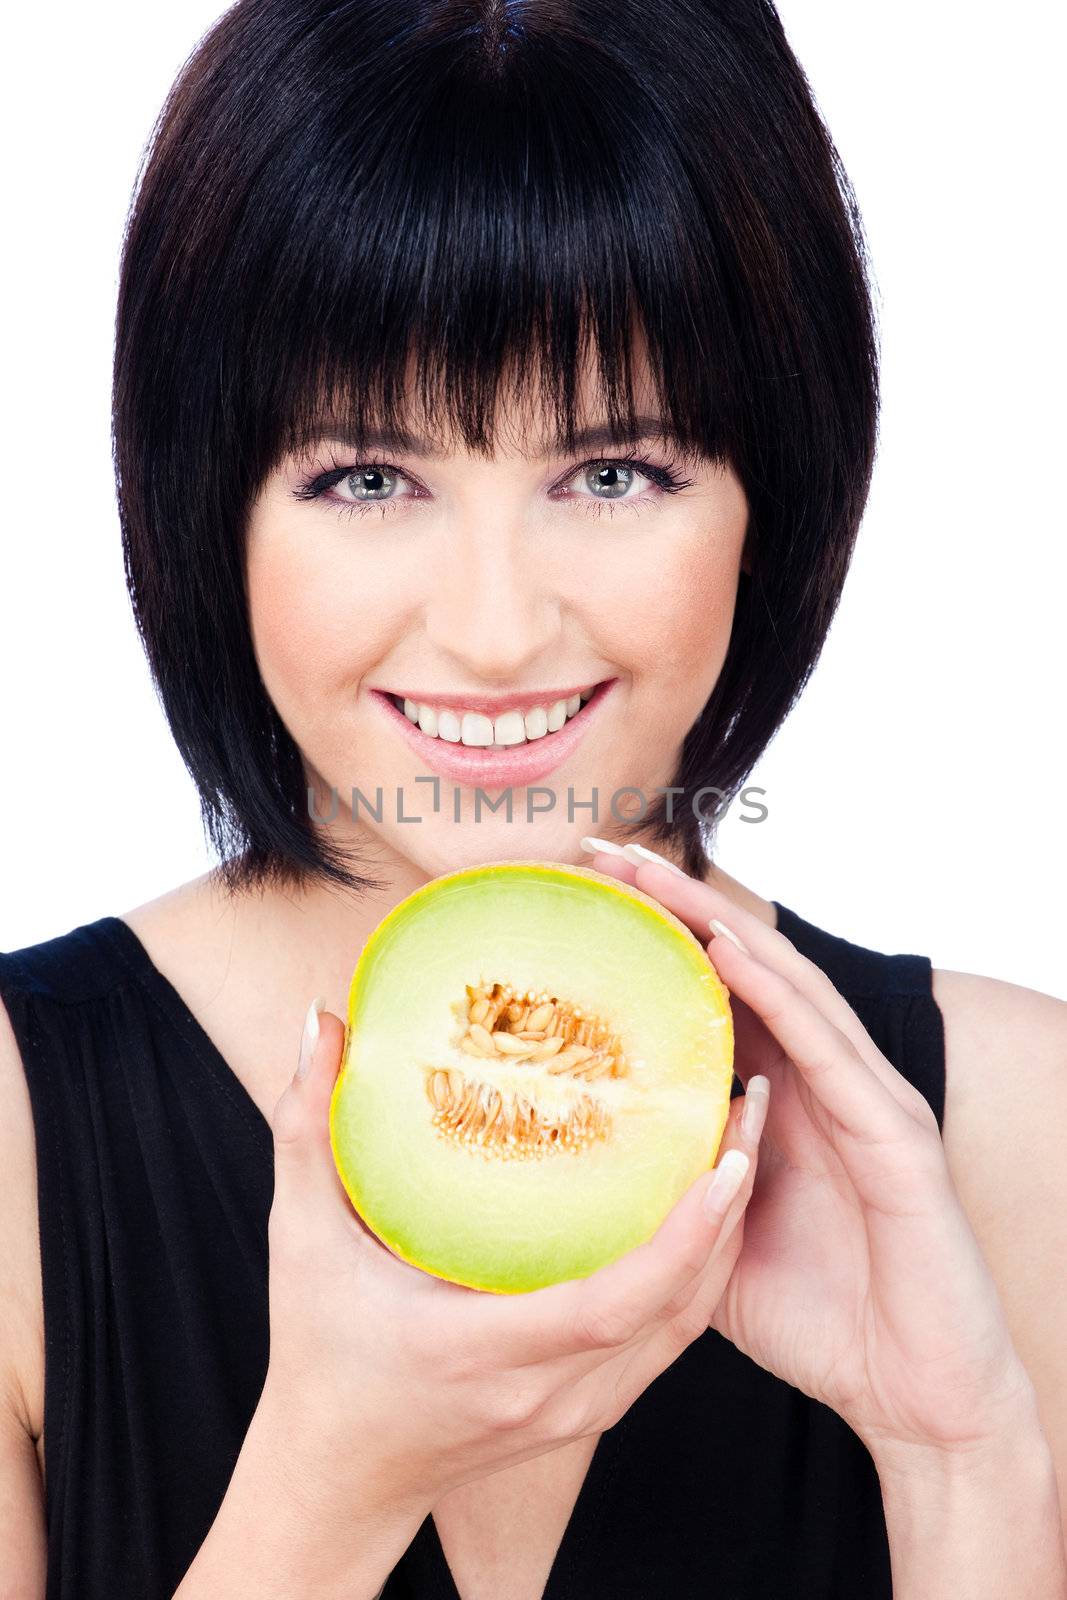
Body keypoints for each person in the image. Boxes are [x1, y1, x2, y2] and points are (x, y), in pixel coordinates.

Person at [1, 1, 1065, 1596]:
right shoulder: (16, 1144)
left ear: (777, 491)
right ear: (202, 504)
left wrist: (959, 1464)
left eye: (613, 473)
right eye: (368, 476)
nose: (496, 631)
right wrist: (323, 1487)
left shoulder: (1021, 1135)